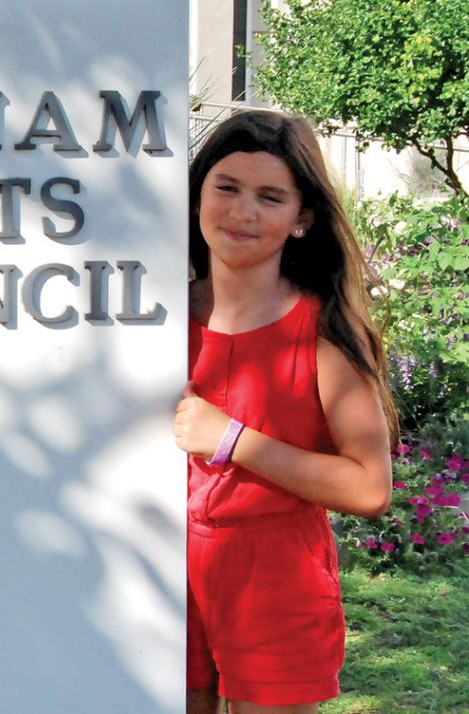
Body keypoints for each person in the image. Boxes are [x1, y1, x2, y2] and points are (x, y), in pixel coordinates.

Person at [174, 110, 397, 714]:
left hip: (274, 577)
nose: (243, 212)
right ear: (197, 196)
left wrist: (232, 439)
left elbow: (370, 487)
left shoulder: (324, 330)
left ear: (302, 218)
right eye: (227, 188)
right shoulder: (153, 314)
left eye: (270, 197)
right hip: (160, 559)